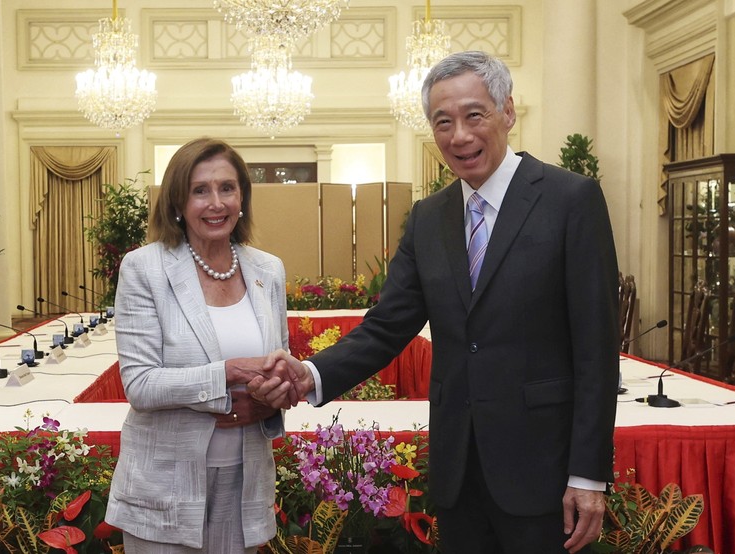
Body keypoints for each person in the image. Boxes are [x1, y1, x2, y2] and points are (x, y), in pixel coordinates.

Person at [254, 51, 620, 553]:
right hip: (457, 472)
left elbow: (597, 349)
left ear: (507, 112)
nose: (459, 136)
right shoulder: (429, 217)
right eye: (442, 122)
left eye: (475, 115)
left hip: (544, 471)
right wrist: (310, 374)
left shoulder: (570, 200)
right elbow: (387, 326)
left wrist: (589, 474)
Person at [105, 138, 291, 553]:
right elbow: (140, 384)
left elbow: (279, 366)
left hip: (244, 484)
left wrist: (271, 400)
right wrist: (228, 373)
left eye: (227, 188)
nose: (216, 203)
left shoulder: (268, 270)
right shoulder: (144, 268)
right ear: (177, 201)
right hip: (164, 488)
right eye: (200, 190)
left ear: (242, 196)